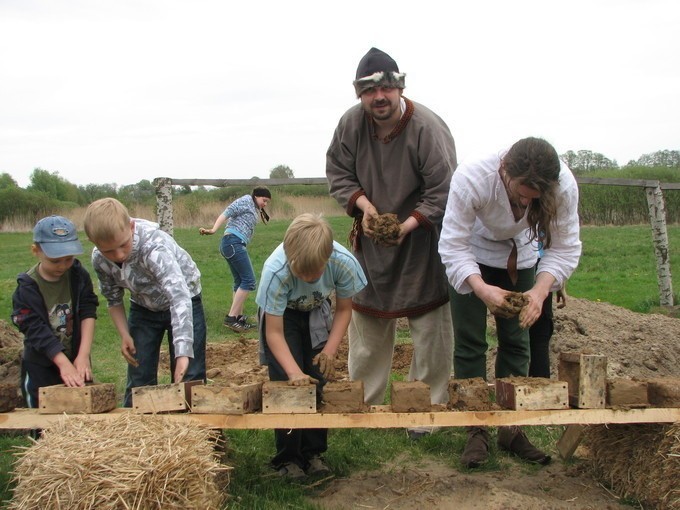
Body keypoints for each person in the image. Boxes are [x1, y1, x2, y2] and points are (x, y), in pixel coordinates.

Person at [326, 48, 457, 433]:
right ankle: (363, 409)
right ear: (359, 95)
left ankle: (425, 413)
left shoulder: (427, 128)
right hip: (371, 239)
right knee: (366, 327)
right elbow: (338, 172)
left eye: (386, 88)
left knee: (431, 331)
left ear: (399, 88)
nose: (378, 97)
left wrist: (405, 226)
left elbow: (442, 189)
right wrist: (366, 209)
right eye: (369, 91)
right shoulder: (351, 124)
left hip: (420, 242)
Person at [438, 137, 582, 468]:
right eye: (521, 193)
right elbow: (453, 245)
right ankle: (475, 429)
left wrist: (539, 291)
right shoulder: (473, 178)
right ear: (505, 170)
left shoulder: (564, 186)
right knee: (470, 342)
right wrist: (481, 288)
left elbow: (565, 246)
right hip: (472, 252)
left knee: (518, 342)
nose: (525, 201)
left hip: (521, 255)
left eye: (534, 198)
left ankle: (511, 428)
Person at [256, 213, 367, 479]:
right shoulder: (276, 271)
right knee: (287, 382)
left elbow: (343, 310)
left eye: (313, 272)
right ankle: (288, 458)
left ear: (328, 258)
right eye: (300, 272)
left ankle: (313, 453)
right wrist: (293, 372)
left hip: (317, 309)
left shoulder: (344, 263)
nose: (306, 277)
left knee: (316, 377)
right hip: (283, 317)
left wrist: (329, 349)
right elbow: (274, 332)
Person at [83, 198, 206, 407]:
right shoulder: (99, 259)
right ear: (95, 244)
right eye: (109, 251)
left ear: (131, 227)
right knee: (139, 373)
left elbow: (179, 297)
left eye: (123, 245)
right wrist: (124, 334)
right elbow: (113, 299)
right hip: (143, 306)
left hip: (185, 300)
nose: (119, 255)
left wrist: (183, 352)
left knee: (190, 374)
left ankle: (198, 433)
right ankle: (138, 433)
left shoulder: (153, 247)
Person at [11, 215, 99, 409]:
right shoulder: (27, 287)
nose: (62, 266)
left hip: (76, 358)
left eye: (68, 259)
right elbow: (35, 329)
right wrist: (62, 363)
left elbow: (88, 311)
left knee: (82, 412)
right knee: (43, 416)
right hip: (41, 364)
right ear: (36, 251)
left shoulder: (78, 275)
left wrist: (83, 355)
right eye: (55, 260)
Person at [199, 187, 272, 332]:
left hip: (233, 243)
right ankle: (231, 318)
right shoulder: (245, 200)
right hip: (233, 242)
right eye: (264, 200)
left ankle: (238, 318)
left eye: (267, 202)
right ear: (256, 196)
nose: (265, 204)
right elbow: (226, 213)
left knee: (240, 281)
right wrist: (213, 230)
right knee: (249, 281)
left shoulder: (253, 206)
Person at [528, 244, 568, 378]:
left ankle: (536, 388)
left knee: (538, 331)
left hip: (542, 267)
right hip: (533, 261)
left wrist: (559, 281)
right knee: (539, 333)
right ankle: (537, 389)